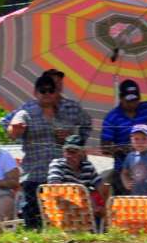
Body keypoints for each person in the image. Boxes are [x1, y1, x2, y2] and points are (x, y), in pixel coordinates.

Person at [9, 72, 93, 229]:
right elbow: (12, 127)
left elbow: (87, 124)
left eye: (50, 90)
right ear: (35, 92)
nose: (47, 94)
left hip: (63, 175)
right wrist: (16, 128)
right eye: (43, 90)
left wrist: (74, 140)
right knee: (34, 220)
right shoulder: (27, 111)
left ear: (57, 93)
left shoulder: (68, 111)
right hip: (35, 173)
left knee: (64, 221)